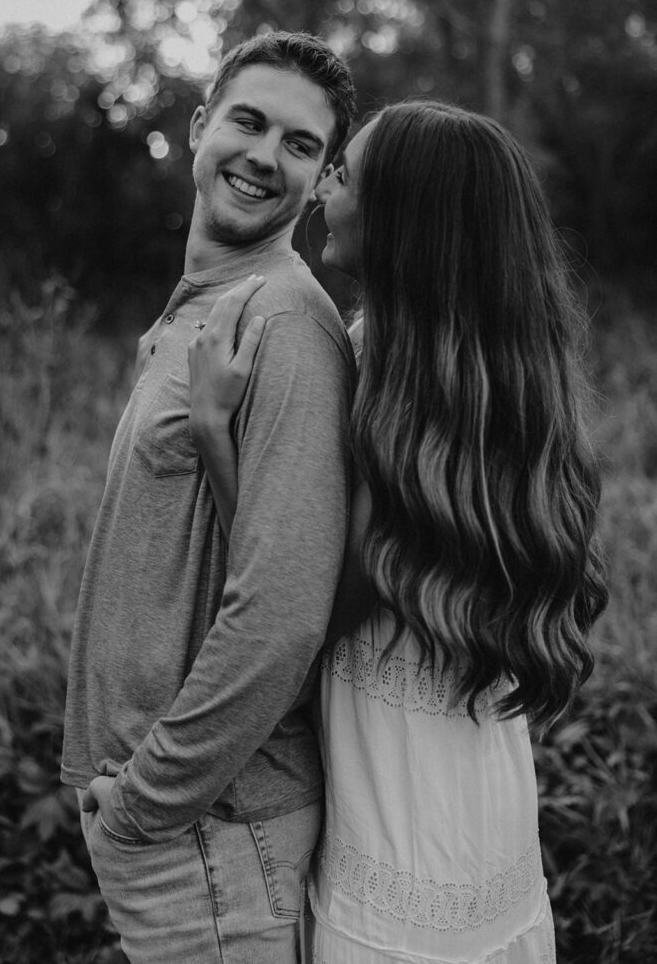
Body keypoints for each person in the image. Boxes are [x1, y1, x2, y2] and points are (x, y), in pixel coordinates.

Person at [188, 100, 608, 963]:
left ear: (403, 223)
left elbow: (298, 611)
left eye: (342, 173)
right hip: (493, 855)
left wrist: (211, 434)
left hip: (395, 865)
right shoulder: (510, 383)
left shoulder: (379, 363)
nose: (321, 188)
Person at [61, 31, 357, 964]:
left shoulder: (283, 325)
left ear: (320, 177)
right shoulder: (202, 304)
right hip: (184, 837)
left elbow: (282, 612)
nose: (266, 156)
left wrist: (148, 803)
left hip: (214, 838)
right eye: (249, 121)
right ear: (199, 127)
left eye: (300, 145)